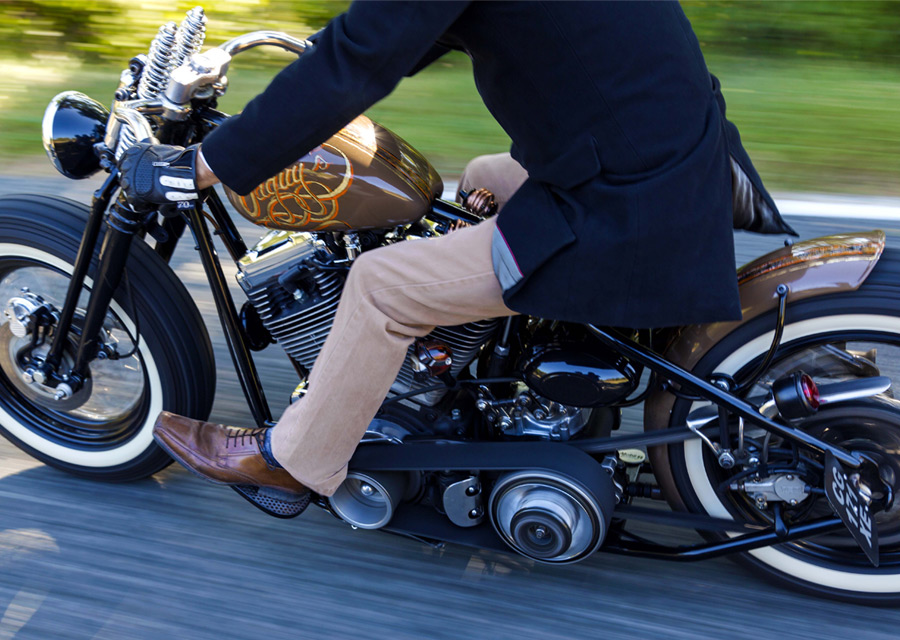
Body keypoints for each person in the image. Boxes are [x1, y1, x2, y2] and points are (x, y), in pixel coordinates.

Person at [117, 1, 793, 501]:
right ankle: (484, 369)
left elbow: (359, 62)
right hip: (667, 160)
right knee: (481, 179)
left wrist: (203, 164)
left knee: (382, 284)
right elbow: (405, 30)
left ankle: (297, 460)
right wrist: (328, 48)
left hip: (625, 205)